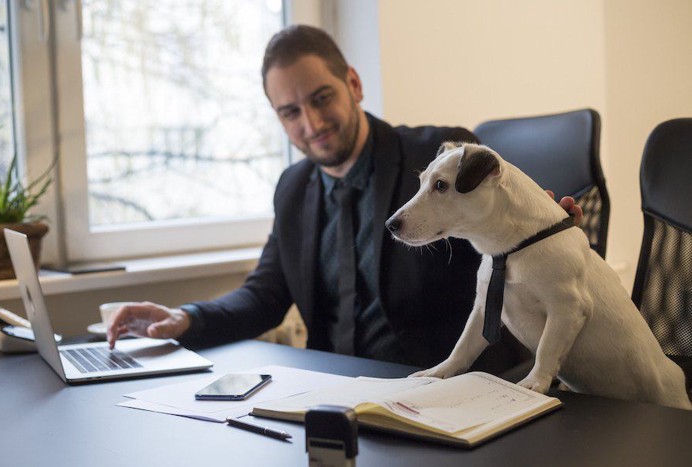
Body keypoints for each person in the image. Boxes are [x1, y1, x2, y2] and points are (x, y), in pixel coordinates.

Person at [108, 25, 581, 372]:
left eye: (321, 98)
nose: (310, 124)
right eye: (290, 112)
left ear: (353, 84)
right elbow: (265, 296)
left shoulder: (440, 157)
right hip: (332, 393)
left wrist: (533, 233)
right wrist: (184, 318)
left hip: (441, 388)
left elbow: (505, 248)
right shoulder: (292, 189)